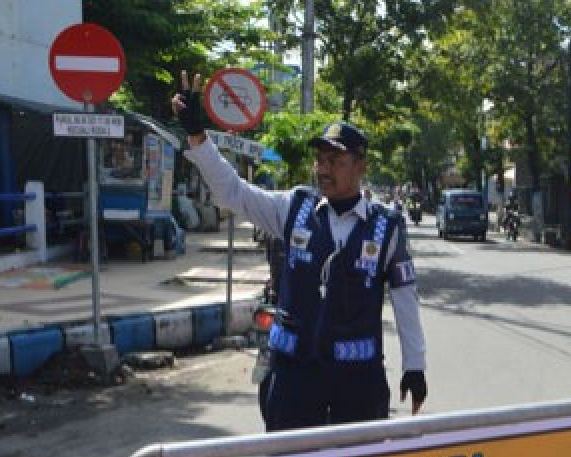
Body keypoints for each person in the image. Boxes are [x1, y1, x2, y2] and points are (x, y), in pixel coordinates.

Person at [171, 71, 428, 431]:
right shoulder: (293, 207)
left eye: (335, 161)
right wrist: (199, 138)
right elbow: (233, 192)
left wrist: (414, 366)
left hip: (356, 381)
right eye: (320, 160)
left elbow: (406, 299)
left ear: (360, 166)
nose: (323, 169)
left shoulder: (387, 227)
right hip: (294, 374)